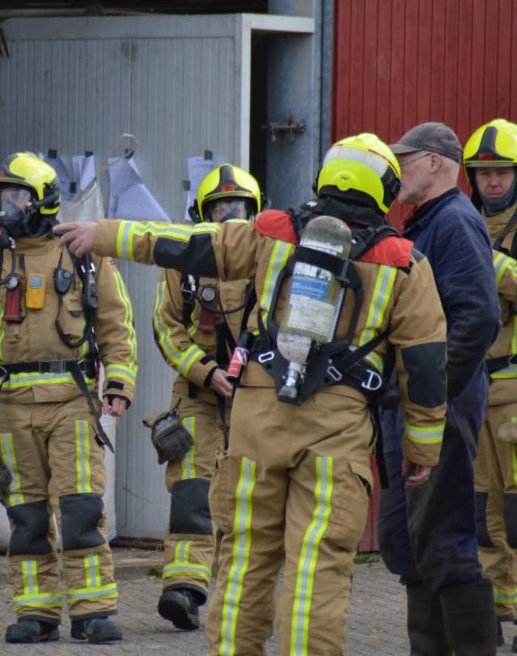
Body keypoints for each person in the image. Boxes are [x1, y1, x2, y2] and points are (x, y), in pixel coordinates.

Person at [55, 134, 449, 655]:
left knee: (245, 559)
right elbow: (424, 367)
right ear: (386, 190)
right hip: (337, 432)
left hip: (258, 416)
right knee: (316, 565)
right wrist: (421, 452)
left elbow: (185, 244)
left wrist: (102, 234)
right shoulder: (404, 263)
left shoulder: (271, 232)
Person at [0, 152, 138, 644]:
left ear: (42, 202)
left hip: (71, 403)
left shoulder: (83, 255)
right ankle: (35, 614)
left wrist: (119, 385)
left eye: (16, 197)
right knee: (27, 515)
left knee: (81, 509)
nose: (4, 208)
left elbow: (116, 330)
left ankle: (93, 612)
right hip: (11, 409)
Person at [371, 121, 502, 655]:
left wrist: (430, 394)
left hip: (438, 410)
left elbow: (478, 317)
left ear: (435, 162)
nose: (395, 169)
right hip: (419, 407)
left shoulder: (453, 223)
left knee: (444, 540)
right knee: (409, 540)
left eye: (404, 159)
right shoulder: (426, 223)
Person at [150, 164, 261, 631]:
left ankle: (241, 593)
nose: (229, 216)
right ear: (202, 213)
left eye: (238, 208)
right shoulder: (184, 260)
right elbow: (166, 327)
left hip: (257, 397)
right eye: (219, 208)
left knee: (250, 496)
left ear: (256, 212)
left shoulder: (272, 258)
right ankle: (184, 589)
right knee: (193, 492)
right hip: (198, 396)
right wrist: (206, 370)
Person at [463, 119, 517, 648]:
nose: (493, 182)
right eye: (483, 174)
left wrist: (487, 260)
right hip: (477, 387)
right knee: (484, 510)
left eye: (502, 172)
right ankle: (498, 606)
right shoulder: (466, 221)